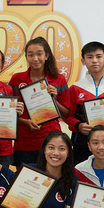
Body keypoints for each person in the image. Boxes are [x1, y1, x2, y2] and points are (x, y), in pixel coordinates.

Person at [64, 41, 104, 164]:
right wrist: (79, 126)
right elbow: (69, 117)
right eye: (89, 57)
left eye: (99, 56)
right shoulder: (76, 88)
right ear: (83, 61)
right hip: (82, 144)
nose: (94, 60)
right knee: (81, 179)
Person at [10, 37, 70, 168]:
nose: (35, 58)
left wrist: (53, 99)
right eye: (30, 55)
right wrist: (25, 122)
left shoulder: (58, 79)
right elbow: (10, 112)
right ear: (26, 57)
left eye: (39, 54)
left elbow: (66, 114)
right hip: (24, 142)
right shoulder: (16, 79)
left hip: (51, 142)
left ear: (47, 55)